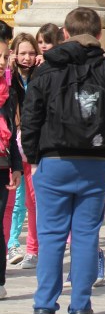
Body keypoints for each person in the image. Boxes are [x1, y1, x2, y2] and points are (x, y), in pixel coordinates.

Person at [20, 6, 105, 314]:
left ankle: (44, 306)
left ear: (64, 34)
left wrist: (34, 158)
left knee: (50, 235)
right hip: (95, 160)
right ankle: (81, 305)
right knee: (86, 234)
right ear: (100, 35)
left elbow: (31, 118)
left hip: (54, 159)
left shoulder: (46, 70)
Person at [8, 32, 40, 270]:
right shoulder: (10, 78)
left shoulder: (41, 75)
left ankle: (33, 249)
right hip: (11, 145)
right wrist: (8, 71)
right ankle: (10, 244)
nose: (27, 58)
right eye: (22, 53)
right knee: (13, 201)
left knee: (33, 201)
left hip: (35, 146)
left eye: (31, 53)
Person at [0, 57, 22, 300]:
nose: (1, 62)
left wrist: (16, 166)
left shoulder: (9, 93)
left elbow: (13, 131)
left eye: (4, 57)